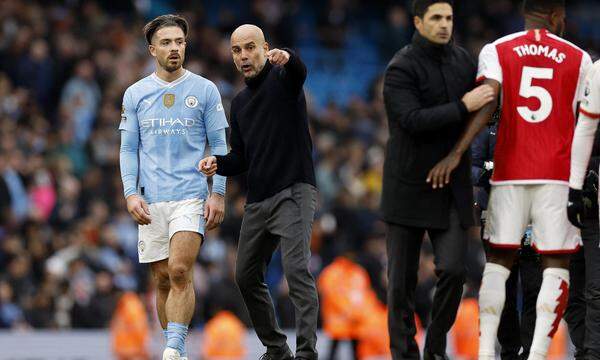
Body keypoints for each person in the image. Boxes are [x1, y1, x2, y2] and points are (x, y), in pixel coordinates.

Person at [427, 0, 592, 358]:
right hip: (518, 201)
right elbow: (471, 165)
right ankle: (510, 348)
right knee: (513, 280)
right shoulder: (492, 125)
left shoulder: (500, 65)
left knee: (527, 283)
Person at [380, 0, 495, 358]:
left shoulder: (463, 61)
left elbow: (489, 101)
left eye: (448, 17)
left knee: (454, 270)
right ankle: (404, 353)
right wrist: (463, 106)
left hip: (451, 188)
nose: (444, 24)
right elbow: (412, 120)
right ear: (418, 22)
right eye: (436, 18)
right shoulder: (401, 67)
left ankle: (434, 348)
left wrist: (457, 153)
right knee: (401, 284)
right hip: (407, 187)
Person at [198, 24, 319, 360]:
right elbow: (241, 158)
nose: (244, 56)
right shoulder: (239, 103)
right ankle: (277, 348)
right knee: (245, 275)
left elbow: (299, 71)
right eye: (237, 51)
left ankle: (307, 351)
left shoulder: (284, 79)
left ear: (265, 48)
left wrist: (288, 57)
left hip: (294, 190)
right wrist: (217, 164)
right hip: (259, 200)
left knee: (296, 270)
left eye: (250, 48)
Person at [118, 14, 229, 360]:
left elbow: (220, 146)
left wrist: (218, 192)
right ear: (152, 49)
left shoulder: (205, 90)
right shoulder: (136, 94)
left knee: (180, 269)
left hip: (190, 197)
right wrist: (130, 193)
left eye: (179, 41)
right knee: (162, 279)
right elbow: (127, 148)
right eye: (166, 42)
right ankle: (174, 346)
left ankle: (173, 348)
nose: (174, 48)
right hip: (152, 201)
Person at [471, 119, 542, 360]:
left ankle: (530, 349)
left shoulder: (539, 122)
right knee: (504, 287)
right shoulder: (488, 128)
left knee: (535, 285)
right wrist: (492, 170)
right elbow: (472, 166)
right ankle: (511, 351)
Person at [567, 59, 600, 359]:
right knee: (581, 286)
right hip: (587, 195)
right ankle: (588, 352)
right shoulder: (598, 71)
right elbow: (585, 130)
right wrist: (575, 188)